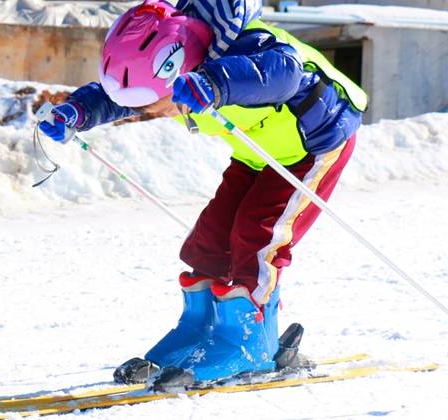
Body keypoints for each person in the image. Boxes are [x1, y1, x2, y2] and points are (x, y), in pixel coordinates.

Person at [38, 0, 367, 386]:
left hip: (313, 145)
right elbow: (118, 96)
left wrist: (217, 83)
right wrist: (78, 111)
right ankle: (200, 329)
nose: (146, 110)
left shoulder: (250, 47)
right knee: (209, 239)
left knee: (258, 235)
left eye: (150, 103)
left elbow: (283, 73)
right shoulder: (175, 67)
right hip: (258, 153)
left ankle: (250, 343)